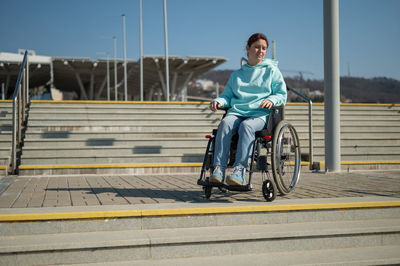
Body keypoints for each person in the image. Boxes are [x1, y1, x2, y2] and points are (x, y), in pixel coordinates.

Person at [209, 33, 287, 186]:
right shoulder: (237, 75)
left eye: (264, 48)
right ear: (248, 48)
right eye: (257, 47)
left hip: (259, 114)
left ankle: (240, 171)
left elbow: (281, 94)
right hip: (237, 112)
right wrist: (218, 101)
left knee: (246, 126)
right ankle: (218, 169)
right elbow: (227, 96)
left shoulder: (272, 71)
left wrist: (271, 99)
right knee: (225, 124)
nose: (261, 51)